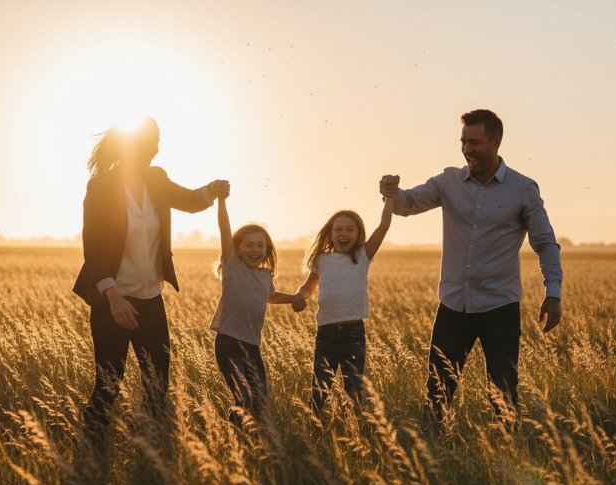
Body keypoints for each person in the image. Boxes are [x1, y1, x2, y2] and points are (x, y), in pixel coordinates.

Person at [379, 109, 562, 424]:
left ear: (496, 141)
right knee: (437, 395)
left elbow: (544, 242)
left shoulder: (523, 188)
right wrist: (390, 191)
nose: (467, 149)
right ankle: (434, 460)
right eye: (463, 142)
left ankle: (507, 457)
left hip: (500, 308)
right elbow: (406, 205)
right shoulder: (449, 181)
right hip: (453, 307)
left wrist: (553, 292)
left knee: (503, 396)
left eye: (474, 142)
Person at [72, 117, 229, 441]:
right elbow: (94, 246)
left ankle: (155, 450)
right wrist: (113, 297)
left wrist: (212, 189)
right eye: (151, 142)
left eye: (157, 142)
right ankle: (91, 452)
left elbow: (188, 200)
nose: (156, 148)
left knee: (158, 381)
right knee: (109, 383)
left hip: (150, 299)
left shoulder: (156, 179)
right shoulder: (100, 186)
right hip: (112, 301)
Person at [292, 197, 394, 409]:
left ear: (358, 235)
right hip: (326, 334)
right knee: (320, 389)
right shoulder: (322, 259)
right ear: (330, 234)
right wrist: (300, 296)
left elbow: (383, 227)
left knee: (353, 391)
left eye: (350, 229)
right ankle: (315, 428)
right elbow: (308, 286)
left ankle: (354, 430)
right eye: (338, 229)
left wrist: (390, 199)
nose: (343, 234)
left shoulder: (362, 255)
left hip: (354, 334)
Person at [209, 195, 297, 422]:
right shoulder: (232, 265)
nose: (255, 250)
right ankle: (233, 427)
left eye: (261, 246)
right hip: (228, 343)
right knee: (244, 396)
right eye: (248, 245)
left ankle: (248, 439)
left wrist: (295, 298)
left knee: (260, 399)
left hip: (252, 346)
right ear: (237, 248)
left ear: (267, 250)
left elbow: (272, 296)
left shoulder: (265, 275)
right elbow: (224, 229)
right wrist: (221, 201)